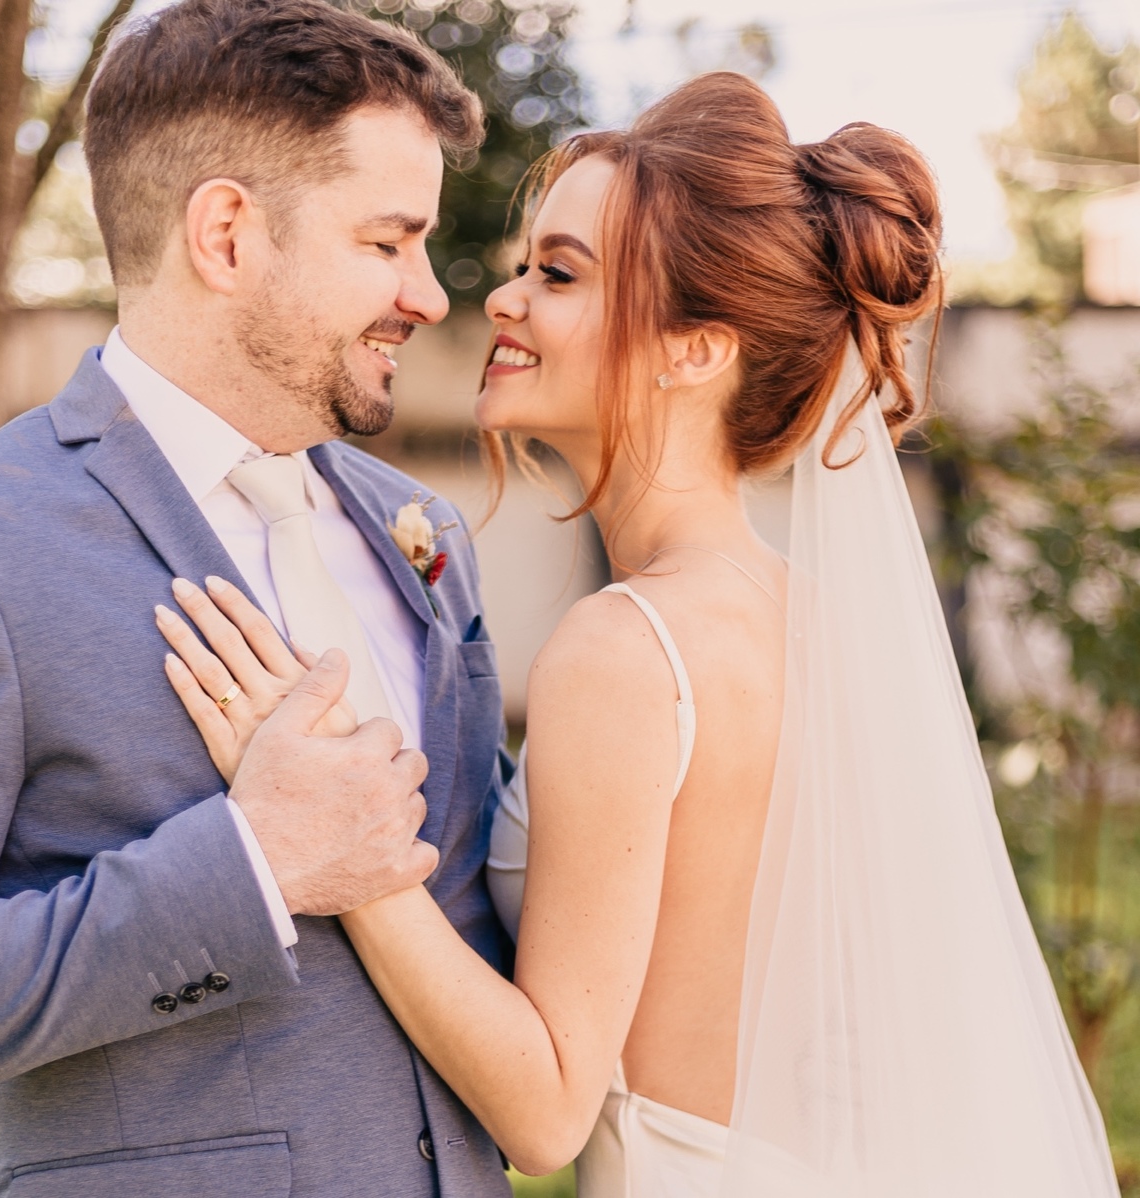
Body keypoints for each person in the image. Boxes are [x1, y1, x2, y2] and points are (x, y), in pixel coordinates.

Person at [165, 69, 1124, 1196]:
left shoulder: (628, 648)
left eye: (561, 274)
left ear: (695, 349)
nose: (505, 300)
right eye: (526, 266)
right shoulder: (807, 622)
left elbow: (549, 1107)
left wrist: (348, 848)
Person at [0, 2, 516, 1195]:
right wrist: (255, 862)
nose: (430, 294)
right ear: (226, 233)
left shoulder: (427, 533)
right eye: (386, 241)